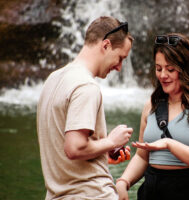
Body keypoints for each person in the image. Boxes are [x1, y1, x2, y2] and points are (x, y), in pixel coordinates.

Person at [116, 33, 189, 200]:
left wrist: (170, 144)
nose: (163, 75)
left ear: (187, 69)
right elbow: (142, 156)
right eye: (158, 68)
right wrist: (123, 181)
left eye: (170, 69)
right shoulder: (151, 104)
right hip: (153, 191)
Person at [37, 16, 134, 200]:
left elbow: (64, 148)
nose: (120, 68)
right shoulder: (86, 86)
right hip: (92, 195)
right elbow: (74, 148)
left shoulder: (53, 79)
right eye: (120, 58)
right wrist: (112, 141)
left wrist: (102, 154)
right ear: (105, 45)